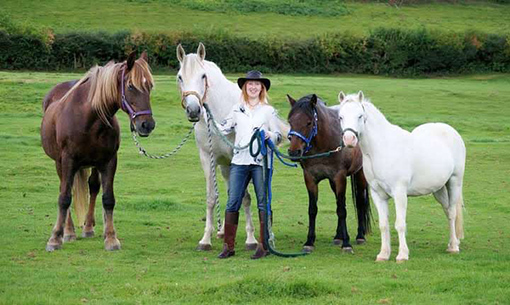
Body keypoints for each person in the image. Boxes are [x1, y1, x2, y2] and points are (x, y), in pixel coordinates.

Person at [217, 70, 282, 259]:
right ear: (245, 87)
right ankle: (228, 246)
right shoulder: (237, 109)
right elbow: (224, 127)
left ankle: (264, 245)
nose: (253, 87)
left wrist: (270, 135)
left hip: (261, 162)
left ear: (262, 88)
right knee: (233, 201)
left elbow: (278, 136)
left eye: (257, 84)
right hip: (239, 161)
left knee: (263, 201)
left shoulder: (268, 111)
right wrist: (208, 117)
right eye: (250, 84)